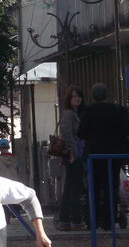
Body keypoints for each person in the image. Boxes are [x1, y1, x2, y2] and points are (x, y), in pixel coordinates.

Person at [77, 83, 129, 231]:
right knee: (111, 186)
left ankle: (93, 221)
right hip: (113, 154)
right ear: (106, 94)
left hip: (94, 154)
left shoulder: (89, 111)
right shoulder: (118, 110)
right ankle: (109, 220)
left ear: (93, 95)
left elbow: (81, 133)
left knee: (94, 188)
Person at [56, 85, 87, 231]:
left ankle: (65, 219)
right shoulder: (69, 114)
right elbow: (67, 133)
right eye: (74, 96)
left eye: (79, 96)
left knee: (69, 187)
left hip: (73, 154)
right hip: (73, 155)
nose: (77, 98)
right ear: (69, 98)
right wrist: (74, 153)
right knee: (74, 187)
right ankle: (75, 219)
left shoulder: (73, 113)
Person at [0, 138, 19, 224]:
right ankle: (14, 214)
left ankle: (6, 218)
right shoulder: (14, 158)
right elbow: (18, 170)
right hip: (13, 182)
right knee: (12, 199)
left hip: (2, 182)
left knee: (4, 201)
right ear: (8, 147)